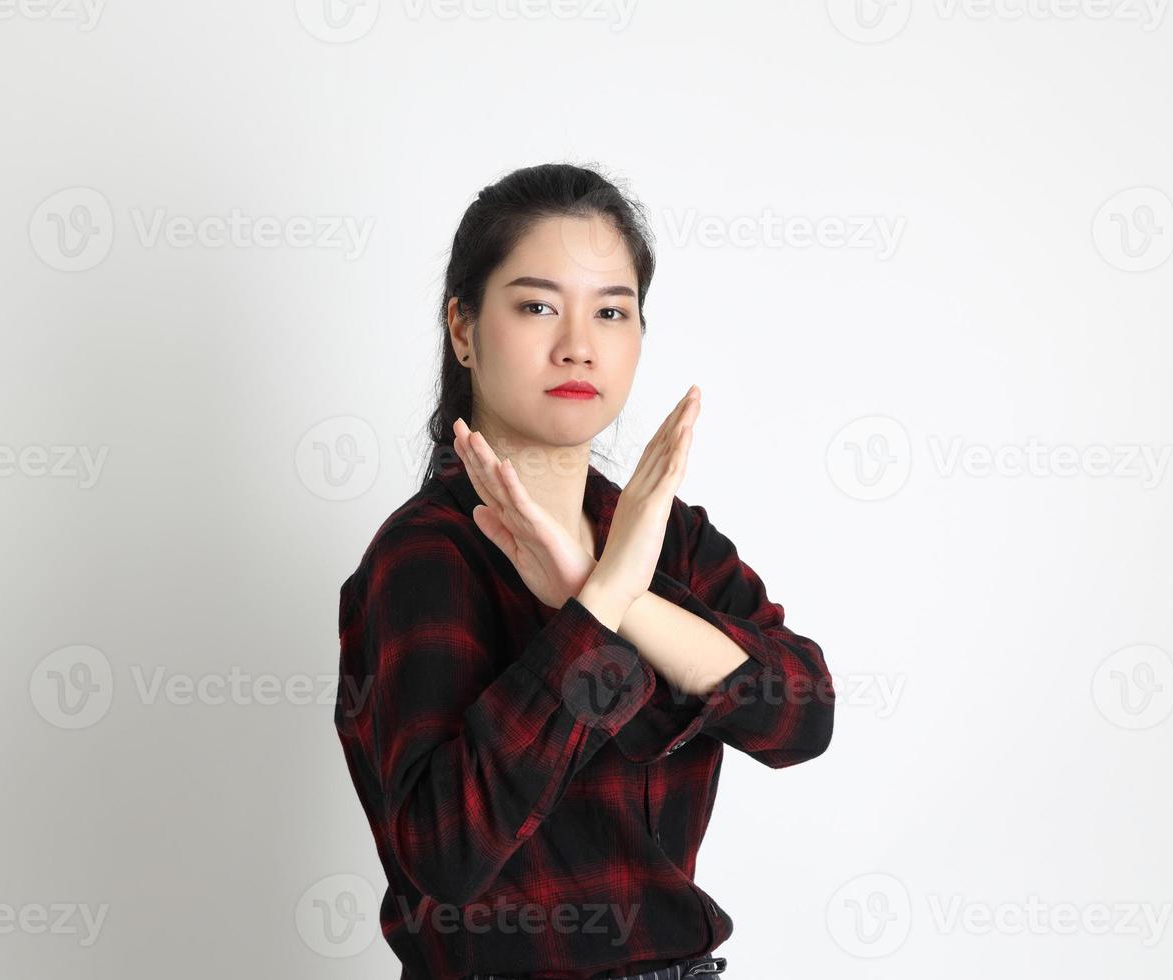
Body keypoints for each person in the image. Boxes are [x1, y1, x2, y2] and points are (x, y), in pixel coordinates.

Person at [335, 163, 835, 979]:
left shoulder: (662, 536)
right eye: (537, 306)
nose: (578, 344)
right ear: (462, 329)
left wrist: (608, 592)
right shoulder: (426, 556)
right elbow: (447, 853)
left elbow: (801, 720)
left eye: (611, 311)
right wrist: (596, 606)